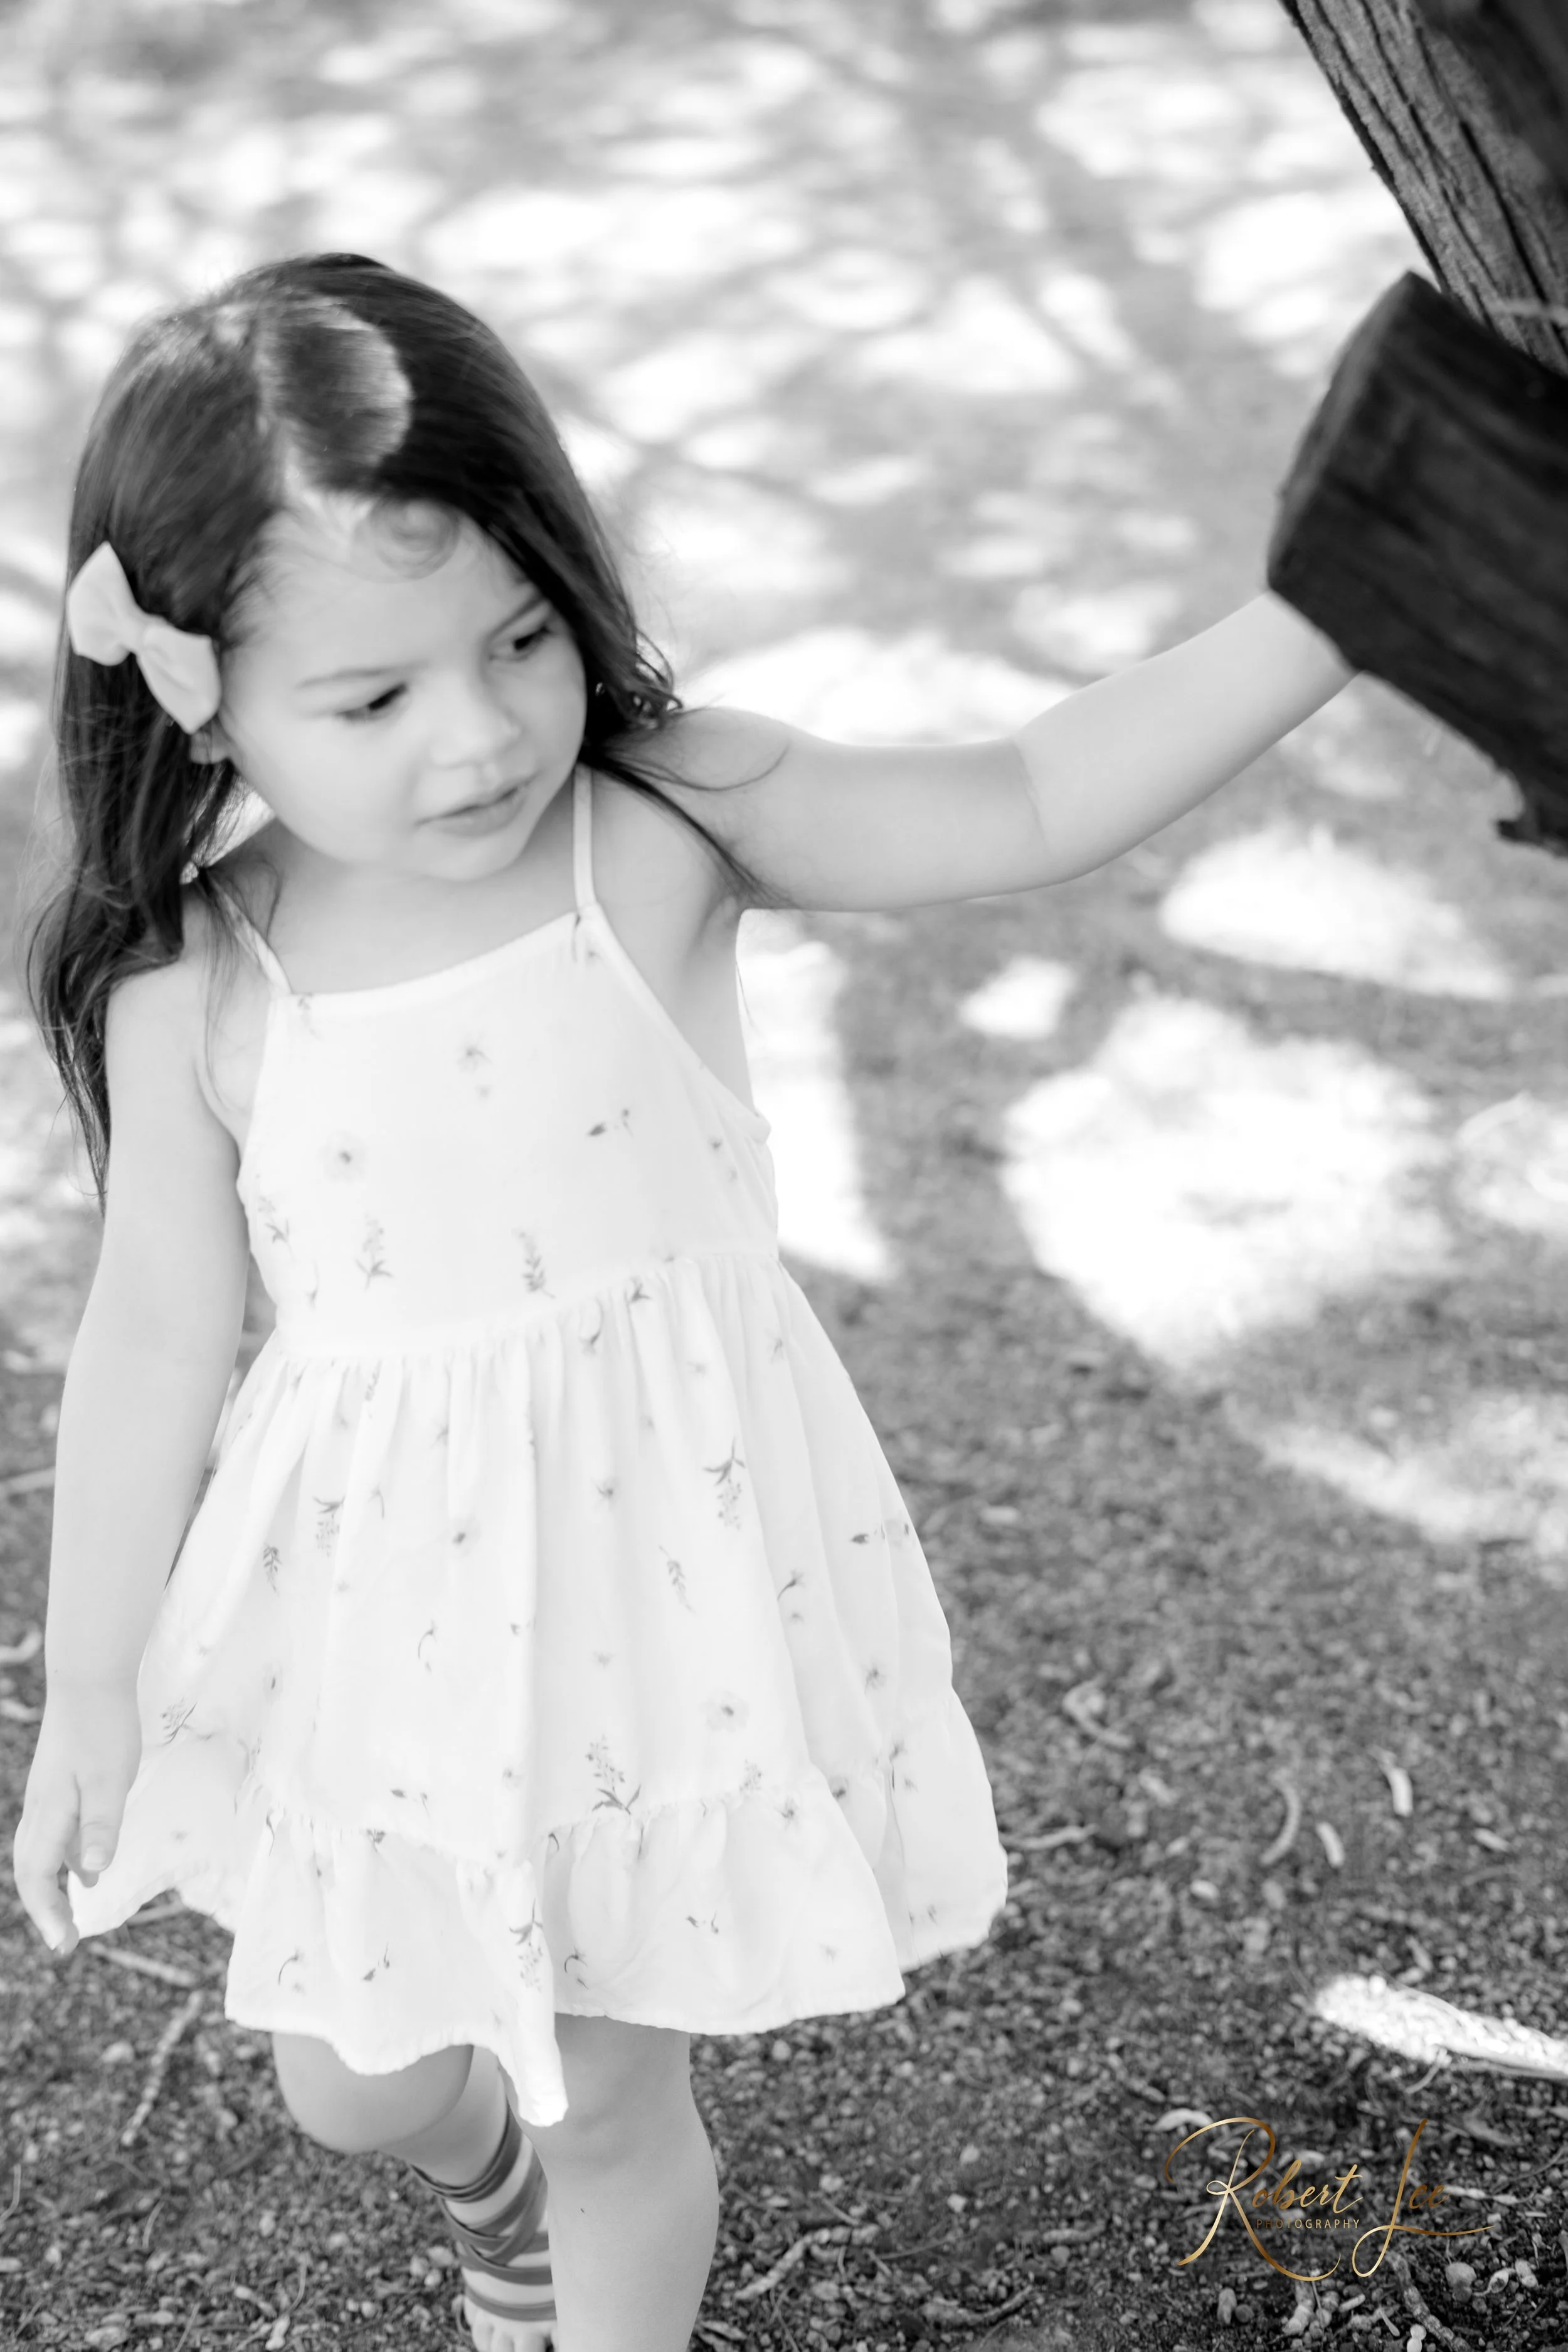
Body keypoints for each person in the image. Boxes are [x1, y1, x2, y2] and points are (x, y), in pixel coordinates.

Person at [10, 252, 1352, 2352]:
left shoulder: (654, 825)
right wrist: (93, 1676)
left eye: (521, 640)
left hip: (658, 1583)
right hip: (388, 1609)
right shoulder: (199, 971)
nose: (477, 737)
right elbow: (159, 1332)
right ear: (202, 697)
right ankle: (493, 2190)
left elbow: (1024, 797)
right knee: (350, 2074)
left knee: (615, 2087)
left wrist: (1345, 605)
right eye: (371, 700)